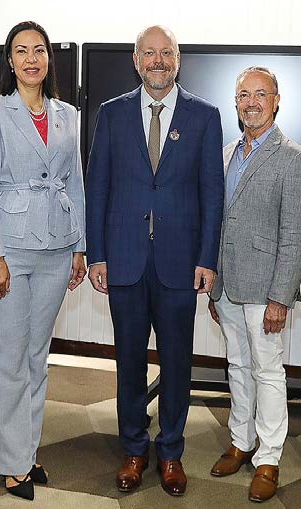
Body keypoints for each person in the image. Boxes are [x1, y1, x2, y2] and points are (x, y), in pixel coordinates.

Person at [85, 25, 224, 497]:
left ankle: (170, 453)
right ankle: (133, 449)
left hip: (180, 265)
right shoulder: (112, 114)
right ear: (136, 59)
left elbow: (212, 193)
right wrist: (97, 253)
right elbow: (97, 186)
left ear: (178, 59)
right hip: (123, 260)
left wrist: (208, 257)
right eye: (150, 53)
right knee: (128, 363)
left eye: (166, 53)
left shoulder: (205, 116)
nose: (158, 60)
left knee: (177, 364)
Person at [0, 20, 86, 501]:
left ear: (48, 59)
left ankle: (28, 450)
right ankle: (12, 461)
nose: (32, 58)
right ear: (10, 60)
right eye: (22, 50)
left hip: (57, 249)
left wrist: (80, 246)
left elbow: (75, 181)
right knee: (8, 359)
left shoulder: (68, 114)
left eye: (39, 49)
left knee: (37, 358)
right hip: (9, 252)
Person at [206, 66, 301, 503]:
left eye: (261, 94)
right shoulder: (226, 152)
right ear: (236, 103)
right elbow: (218, 222)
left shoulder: (295, 157)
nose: (251, 102)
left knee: (268, 371)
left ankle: (268, 457)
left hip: (266, 288)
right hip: (228, 285)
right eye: (244, 95)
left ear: (276, 101)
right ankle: (240, 441)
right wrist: (214, 280)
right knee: (236, 365)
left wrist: (280, 297)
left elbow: (294, 233)